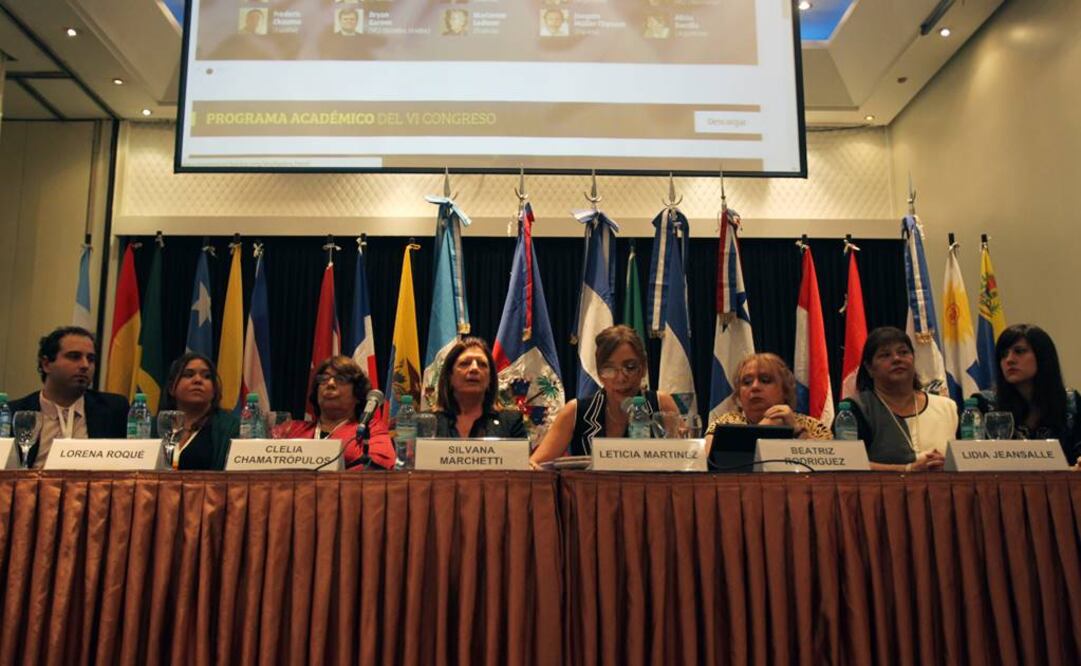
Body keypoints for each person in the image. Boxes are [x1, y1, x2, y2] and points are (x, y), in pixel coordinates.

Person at [530, 325, 679, 466]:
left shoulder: (661, 404)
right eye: (609, 369)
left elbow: (688, 463)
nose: (621, 378)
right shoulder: (575, 411)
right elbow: (534, 464)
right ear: (600, 374)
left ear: (643, 368)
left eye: (630, 367)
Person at [8, 326, 128, 468]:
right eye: (74, 357)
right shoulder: (12, 414)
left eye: (91, 359)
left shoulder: (114, 409)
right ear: (46, 364)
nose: (85, 365)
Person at [843, 326, 958, 471]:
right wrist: (907, 469)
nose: (897, 359)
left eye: (903, 352)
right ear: (869, 368)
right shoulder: (856, 410)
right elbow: (846, 463)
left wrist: (948, 465)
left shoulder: (947, 407)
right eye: (885, 355)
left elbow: (968, 462)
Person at [986, 324, 1081, 465]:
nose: (1009, 360)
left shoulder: (1070, 402)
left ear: (1042, 357)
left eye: (1019, 351)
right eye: (1003, 354)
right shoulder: (985, 404)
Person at [284, 355, 395, 469]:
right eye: (324, 379)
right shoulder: (292, 430)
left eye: (341, 379)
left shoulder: (371, 429)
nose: (330, 384)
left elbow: (378, 467)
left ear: (357, 393)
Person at [704, 353, 832, 448]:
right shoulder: (724, 424)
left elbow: (828, 468)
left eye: (765, 380)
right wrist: (762, 430)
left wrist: (797, 431)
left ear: (785, 391)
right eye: (747, 382)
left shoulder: (813, 427)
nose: (754, 387)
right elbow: (709, 461)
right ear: (738, 395)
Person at [158, 352, 239, 470]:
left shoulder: (229, 429)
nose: (198, 380)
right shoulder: (155, 427)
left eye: (207, 376)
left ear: (214, 390)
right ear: (171, 388)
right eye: (188, 375)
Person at [432, 338, 526, 438]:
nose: (474, 368)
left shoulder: (511, 422)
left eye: (482, 364)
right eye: (465, 363)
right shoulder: (429, 422)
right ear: (449, 376)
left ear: (490, 379)